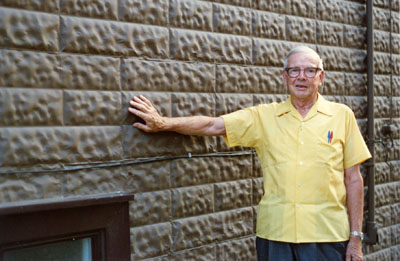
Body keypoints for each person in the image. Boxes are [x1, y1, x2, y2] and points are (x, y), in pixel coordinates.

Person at [128, 46, 371, 261]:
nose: (301, 77)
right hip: (276, 235)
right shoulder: (264, 117)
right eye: (294, 71)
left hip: (327, 235)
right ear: (284, 77)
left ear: (321, 77)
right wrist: (164, 123)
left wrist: (356, 238)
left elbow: (353, 179)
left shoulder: (342, 116)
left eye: (309, 70)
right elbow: (213, 125)